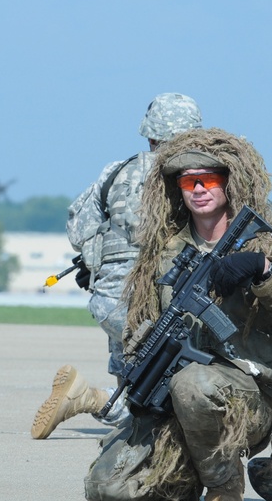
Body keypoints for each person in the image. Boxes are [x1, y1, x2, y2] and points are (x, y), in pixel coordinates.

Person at [84, 127, 272, 501]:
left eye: (208, 179)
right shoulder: (163, 253)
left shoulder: (262, 245)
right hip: (177, 403)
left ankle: (224, 486)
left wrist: (262, 270)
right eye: (187, 182)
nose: (198, 189)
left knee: (195, 384)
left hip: (248, 398)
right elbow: (142, 321)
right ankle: (185, 476)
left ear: (229, 183)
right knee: (108, 487)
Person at [31, 93, 203, 439]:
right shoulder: (194, 179)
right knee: (168, 401)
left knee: (137, 393)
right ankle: (88, 397)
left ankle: (95, 400)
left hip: (109, 299)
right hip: (157, 306)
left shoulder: (117, 170)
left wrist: (97, 262)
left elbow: (79, 226)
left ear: (149, 134)